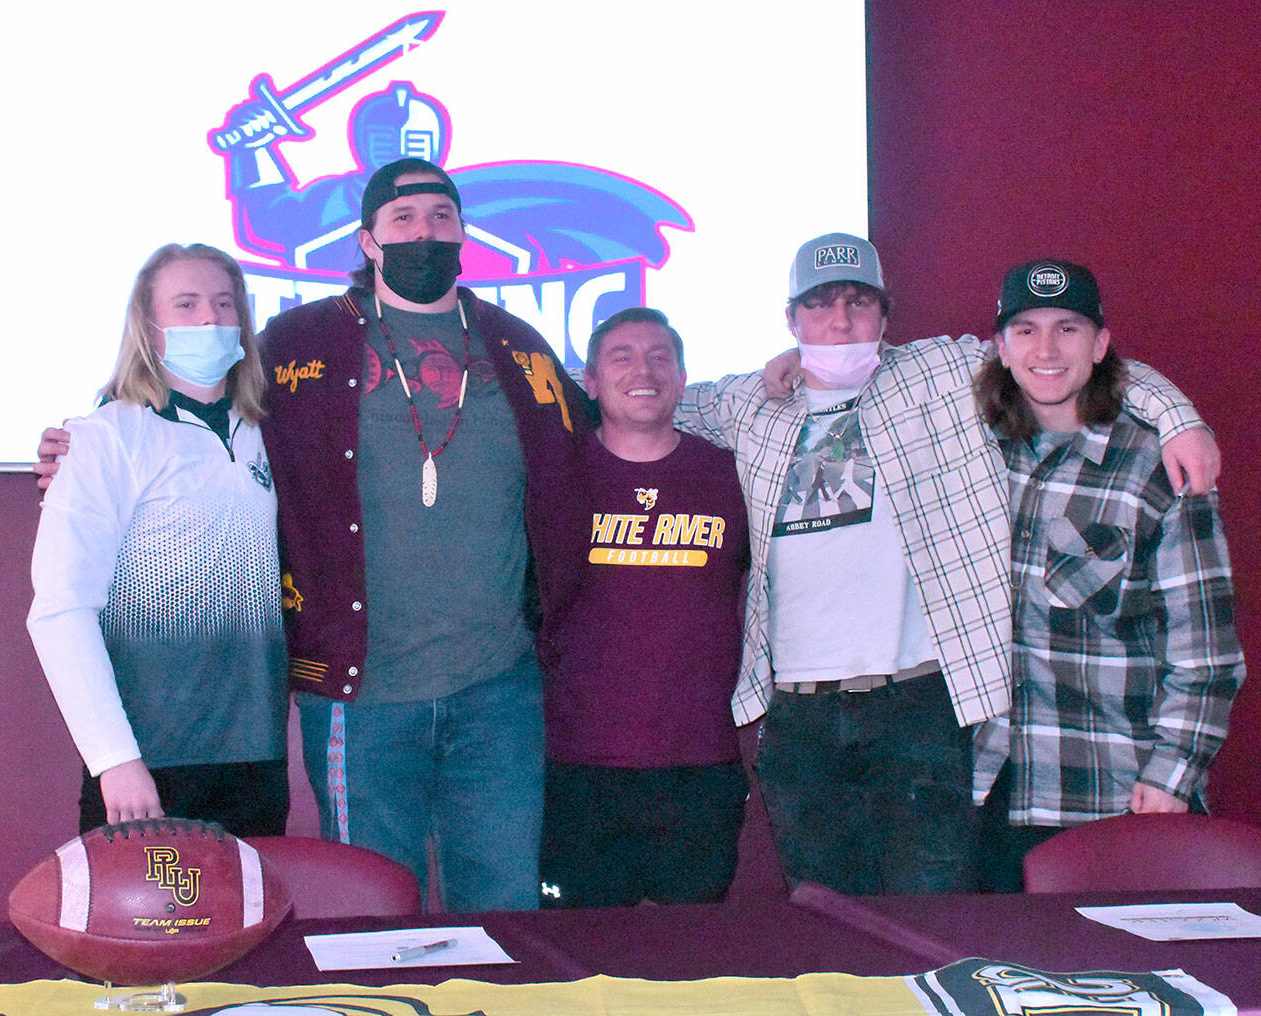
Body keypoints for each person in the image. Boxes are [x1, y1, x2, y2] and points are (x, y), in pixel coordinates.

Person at [672, 232, 1220, 895]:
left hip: (920, 707)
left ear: (886, 313)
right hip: (798, 719)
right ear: (791, 318)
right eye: (819, 305)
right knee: (822, 917)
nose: (840, 322)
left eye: (858, 303)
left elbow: (1063, 363)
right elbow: (651, 394)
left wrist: (1181, 420)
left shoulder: (941, 373)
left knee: (932, 918)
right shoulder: (749, 404)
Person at [245, 158, 590, 911]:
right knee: (371, 909)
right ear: (368, 240)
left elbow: (612, 425)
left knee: (503, 908)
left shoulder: (518, 345)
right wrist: (92, 434)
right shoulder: (296, 341)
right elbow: (195, 411)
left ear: (463, 233)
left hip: (499, 687)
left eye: (441, 217)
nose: (424, 233)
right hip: (361, 689)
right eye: (403, 220)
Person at [970, 259, 1245, 891]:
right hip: (985, 791)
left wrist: (1171, 775)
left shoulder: (1158, 465)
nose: (1046, 350)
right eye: (1027, 330)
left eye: (1067, 329)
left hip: (1112, 794)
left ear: (1100, 344)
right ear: (1001, 348)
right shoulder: (970, 456)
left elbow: (1207, 653)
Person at [27, 243, 288, 835]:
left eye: (225, 303)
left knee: (250, 897)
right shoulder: (105, 438)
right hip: (149, 759)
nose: (209, 318)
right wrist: (113, 758)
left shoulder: (269, 433)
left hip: (255, 754)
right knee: (147, 902)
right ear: (147, 325)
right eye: (186, 304)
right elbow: (61, 608)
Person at [527, 307, 750, 907]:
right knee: (582, 950)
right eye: (621, 357)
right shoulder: (553, 476)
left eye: (659, 357)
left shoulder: (729, 474)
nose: (643, 371)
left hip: (699, 761)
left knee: (694, 951)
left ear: (681, 378)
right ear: (590, 382)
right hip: (578, 764)